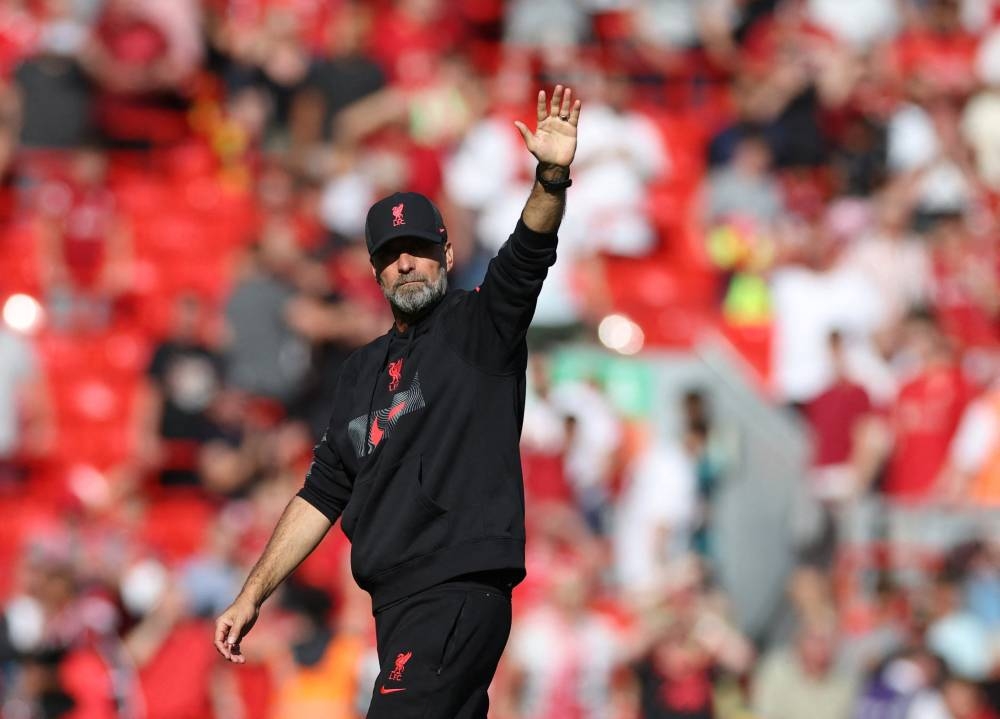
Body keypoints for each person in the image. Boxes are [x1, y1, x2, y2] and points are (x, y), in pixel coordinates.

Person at [214, 85, 582, 719]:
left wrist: (550, 178)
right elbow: (321, 493)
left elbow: (527, 254)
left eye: (418, 249)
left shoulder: (479, 328)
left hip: (456, 584)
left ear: (447, 253)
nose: (406, 263)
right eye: (390, 255)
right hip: (396, 605)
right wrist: (253, 594)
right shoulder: (360, 371)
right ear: (374, 271)